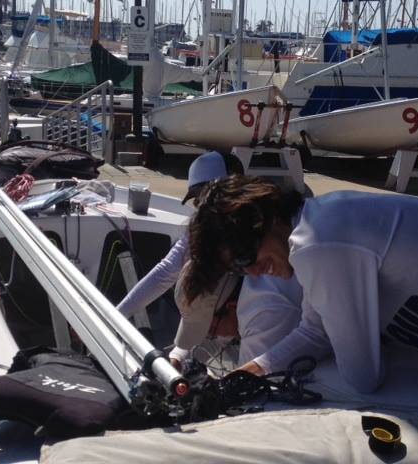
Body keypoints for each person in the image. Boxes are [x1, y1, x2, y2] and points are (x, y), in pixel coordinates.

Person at [183, 176, 418, 433]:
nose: (252, 271)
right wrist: (242, 376)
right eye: (238, 267)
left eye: (246, 255)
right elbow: (315, 332)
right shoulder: (317, 224)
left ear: (264, 220)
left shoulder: (318, 244)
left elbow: (364, 374)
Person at [117, 151, 302, 370]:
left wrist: (115, 317)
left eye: (206, 197)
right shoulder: (217, 237)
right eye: (198, 201)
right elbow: (201, 309)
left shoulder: (265, 305)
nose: (202, 207)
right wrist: (177, 357)